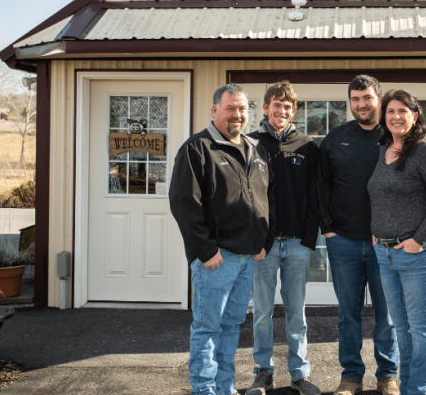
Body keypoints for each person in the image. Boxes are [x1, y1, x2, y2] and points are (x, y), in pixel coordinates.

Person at [169, 83, 276, 395]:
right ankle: (204, 390)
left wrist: (264, 241)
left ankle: (224, 386)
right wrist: (205, 250)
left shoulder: (255, 149)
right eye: (230, 108)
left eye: (242, 109)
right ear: (214, 110)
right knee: (208, 328)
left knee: (231, 327)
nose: (237, 114)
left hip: (247, 257)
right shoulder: (197, 149)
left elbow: (265, 197)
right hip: (216, 258)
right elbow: (183, 203)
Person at [317, 75, 400, 395]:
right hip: (345, 243)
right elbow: (321, 186)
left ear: (378, 98)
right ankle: (351, 376)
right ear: (349, 102)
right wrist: (330, 230)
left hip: (386, 243)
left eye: (366, 98)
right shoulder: (336, 139)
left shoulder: (395, 136)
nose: (361, 105)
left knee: (387, 314)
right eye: (355, 99)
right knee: (348, 314)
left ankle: (388, 375)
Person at [367, 89, 426, 395]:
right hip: (385, 254)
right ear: (384, 117)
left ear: (414, 116)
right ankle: (408, 389)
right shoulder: (383, 151)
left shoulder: (424, 152)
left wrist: (418, 240)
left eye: (403, 111)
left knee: (419, 328)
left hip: (417, 254)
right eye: (390, 111)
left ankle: (419, 390)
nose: (396, 116)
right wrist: (376, 232)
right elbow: (381, 196)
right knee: (400, 328)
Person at [246, 81, 321, 395]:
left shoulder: (306, 146)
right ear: (266, 108)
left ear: (294, 110)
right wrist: (253, 240)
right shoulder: (249, 144)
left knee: (296, 311)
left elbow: (315, 195)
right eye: (276, 105)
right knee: (262, 312)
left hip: (296, 244)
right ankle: (263, 372)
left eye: (288, 106)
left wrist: (308, 240)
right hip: (263, 245)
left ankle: (299, 374)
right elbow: (243, 196)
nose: (282, 111)